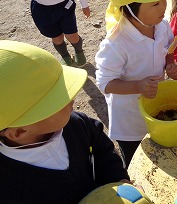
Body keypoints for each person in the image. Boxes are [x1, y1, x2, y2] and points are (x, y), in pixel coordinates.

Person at [0, 40, 130, 203]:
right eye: (58, 99)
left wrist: (116, 178)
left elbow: (101, 147)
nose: (72, 96)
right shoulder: (7, 189)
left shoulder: (76, 123)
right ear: (18, 132)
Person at [95, 0, 177, 167]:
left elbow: (169, 47)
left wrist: (171, 63)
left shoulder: (161, 26)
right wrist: (138, 86)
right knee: (136, 161)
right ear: (130, 8)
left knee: (160, 153)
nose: (163, 7)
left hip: (157, 105)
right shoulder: (116, 44)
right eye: (155, 3)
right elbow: (105, 83)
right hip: (130, 119)